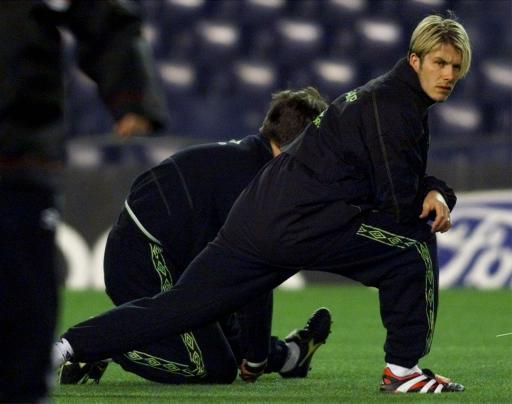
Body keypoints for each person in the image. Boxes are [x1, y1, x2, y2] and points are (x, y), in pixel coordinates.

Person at [54, 14, 471, 394]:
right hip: (304, 221)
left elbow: (400, 178)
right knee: (412, 249)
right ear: (415, 61)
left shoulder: (385, 100)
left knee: (179, 308)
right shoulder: (394, 106)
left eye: (456, 66)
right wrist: (435, 196)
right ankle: (402, 371)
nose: (448, 75)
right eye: (440, 63)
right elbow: (396, 199)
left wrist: (433, 191)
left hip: (256, 219)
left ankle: (67, 347)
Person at [56, 87, 332, 385]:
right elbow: (255, 283)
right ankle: (100, 344)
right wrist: (255, 358)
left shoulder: (245, 159)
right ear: (303, 144)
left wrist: (256, 354)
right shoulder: (260, 183)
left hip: (158, 254)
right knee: (214, 367)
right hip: (145, 259)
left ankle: (290, 356)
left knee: (226, 337)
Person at [0, 0, 168, 401]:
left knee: (22, 301)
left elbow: (105, 18)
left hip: (17, 150)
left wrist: (130, 93)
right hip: (21, 148)